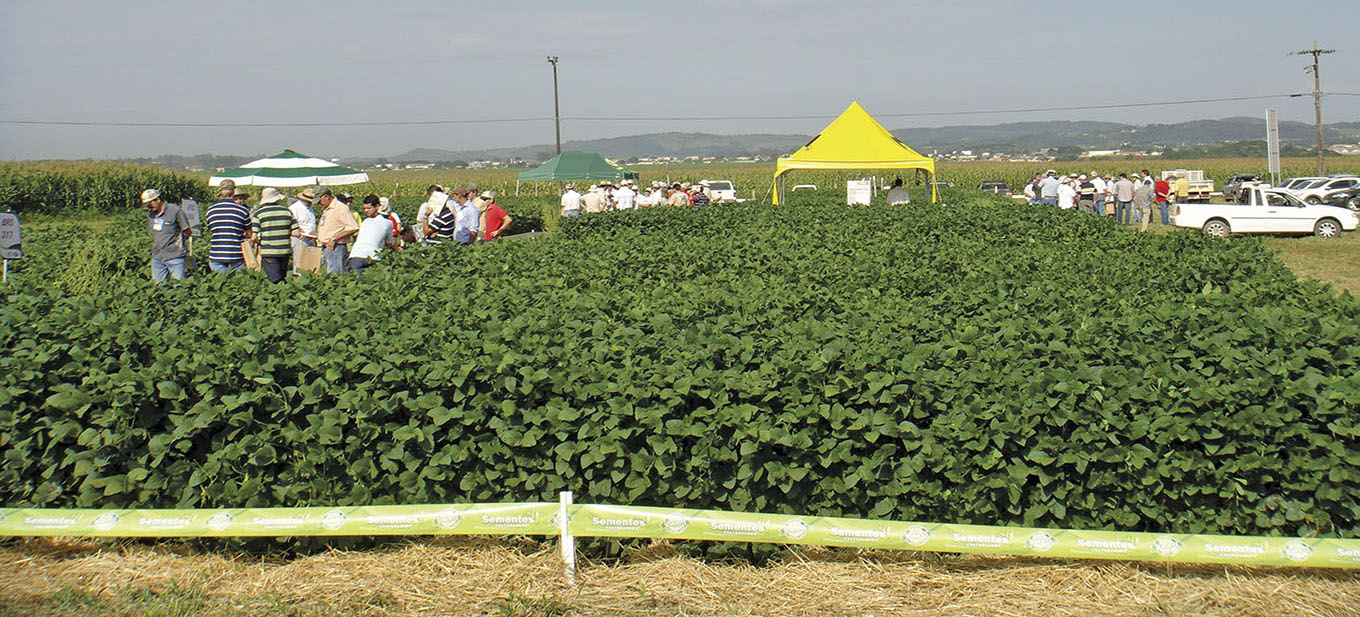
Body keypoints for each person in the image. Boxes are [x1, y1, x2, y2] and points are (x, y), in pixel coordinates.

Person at [143, 188, 192, 282]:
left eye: (150, 203)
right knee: (158, 287)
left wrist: (177, 243)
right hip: (157, 256)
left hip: (175, 256)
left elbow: (187, 231)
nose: (149, 207)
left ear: (157, 200)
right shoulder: (151, 215)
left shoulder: (175, 210)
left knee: (179, 286)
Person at [250, 188, 297, 283]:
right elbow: (296, 232)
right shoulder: (287, 211)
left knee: (273, 281)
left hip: (269, 251)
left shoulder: (259, 213)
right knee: (282, 277)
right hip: (285, 250)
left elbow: (254, 237)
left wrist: (259, 242)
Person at [204, 184, 250, 272]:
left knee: (220, 283)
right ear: (233, 192)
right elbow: (249, 234)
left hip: (216, 254)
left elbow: (211, 230)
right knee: (239, 283)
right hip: (236, 254)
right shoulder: (242, 210)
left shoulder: (210, 210)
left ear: (220, 192)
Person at [315, 187, 359, 274]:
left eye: (320, 201)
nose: (319, 204)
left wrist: (334, 239)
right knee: (330, 273)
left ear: (327, 197)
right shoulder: (327, 209)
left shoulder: (340, 208)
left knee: (335, 274)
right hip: (327, 247)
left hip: (336, 247)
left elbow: (353, 227)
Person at [348, 195, 395, 274]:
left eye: (369, 208)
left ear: (377, 207)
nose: (366, 211)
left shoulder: (365, 221)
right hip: (374, 257)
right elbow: (389, 244)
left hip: (357, 255)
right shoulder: (388, 223)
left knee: (357, 282)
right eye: (364, 208)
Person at [289, 189, 319, 270]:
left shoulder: (310, 209)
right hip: (300, 238)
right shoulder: (294, 208)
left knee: (310, 260)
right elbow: (291, 223)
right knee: (299, 260)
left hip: (311, 238)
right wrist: (300, 230)